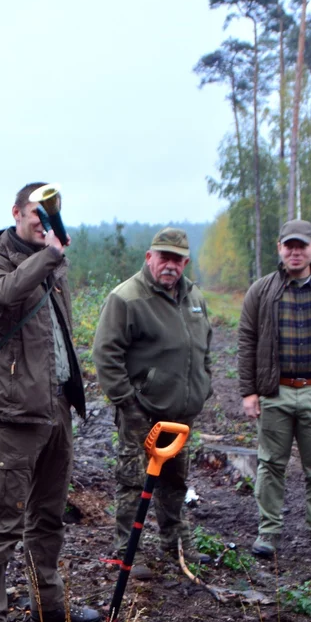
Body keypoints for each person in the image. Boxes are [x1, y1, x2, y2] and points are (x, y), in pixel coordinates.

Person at [0, 183, 100, 622]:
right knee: (1, 522)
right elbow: (1, 293)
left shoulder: (52, 264)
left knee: (48, 517)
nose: (43, 225)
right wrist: (49, 256)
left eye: (50, 218)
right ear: (16, 213)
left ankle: (48, 606)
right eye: (35, 216)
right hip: (14, 415)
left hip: (55, 410)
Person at [93, 228, 213, 580]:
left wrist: (202, 386)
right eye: (163, 257)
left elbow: (204, 346)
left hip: (182, 414)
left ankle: (176, 545)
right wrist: (128, 403)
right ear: (149, 257)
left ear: (185, 262)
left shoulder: (195, 297)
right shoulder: (127, 298)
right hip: (141, 412)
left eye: (177, 259)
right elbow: (105, 354)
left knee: (176, 480)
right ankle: (126, 552)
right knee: (133, 481)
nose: (170, 265)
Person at [238, 219, 311, 567]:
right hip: (275, 392)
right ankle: (268, 534)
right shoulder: (261, 291)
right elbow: (246, 341)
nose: (295, 251)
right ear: (279, 248)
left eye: (301, 245)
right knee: (270, 465)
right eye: (289, 245)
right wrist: (249, 391)